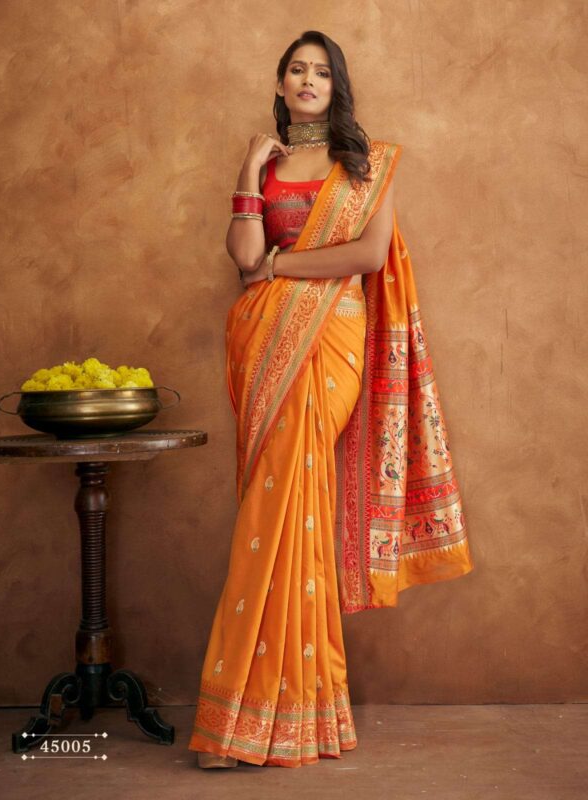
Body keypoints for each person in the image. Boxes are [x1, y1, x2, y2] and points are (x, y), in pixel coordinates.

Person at [188, 30, 474, 769]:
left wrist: (281, 265)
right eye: (296, 70)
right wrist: (248, 171)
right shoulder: (267, 165)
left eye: (321, 71)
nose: (308, 80)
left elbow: (368, 255)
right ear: (281, 85)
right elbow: (242, 258)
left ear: (336, 85)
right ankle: (289, 712)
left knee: (290, 503)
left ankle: (251, 717)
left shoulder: (365, 164)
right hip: (264, 346)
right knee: (282, 510)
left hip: (331, 343)